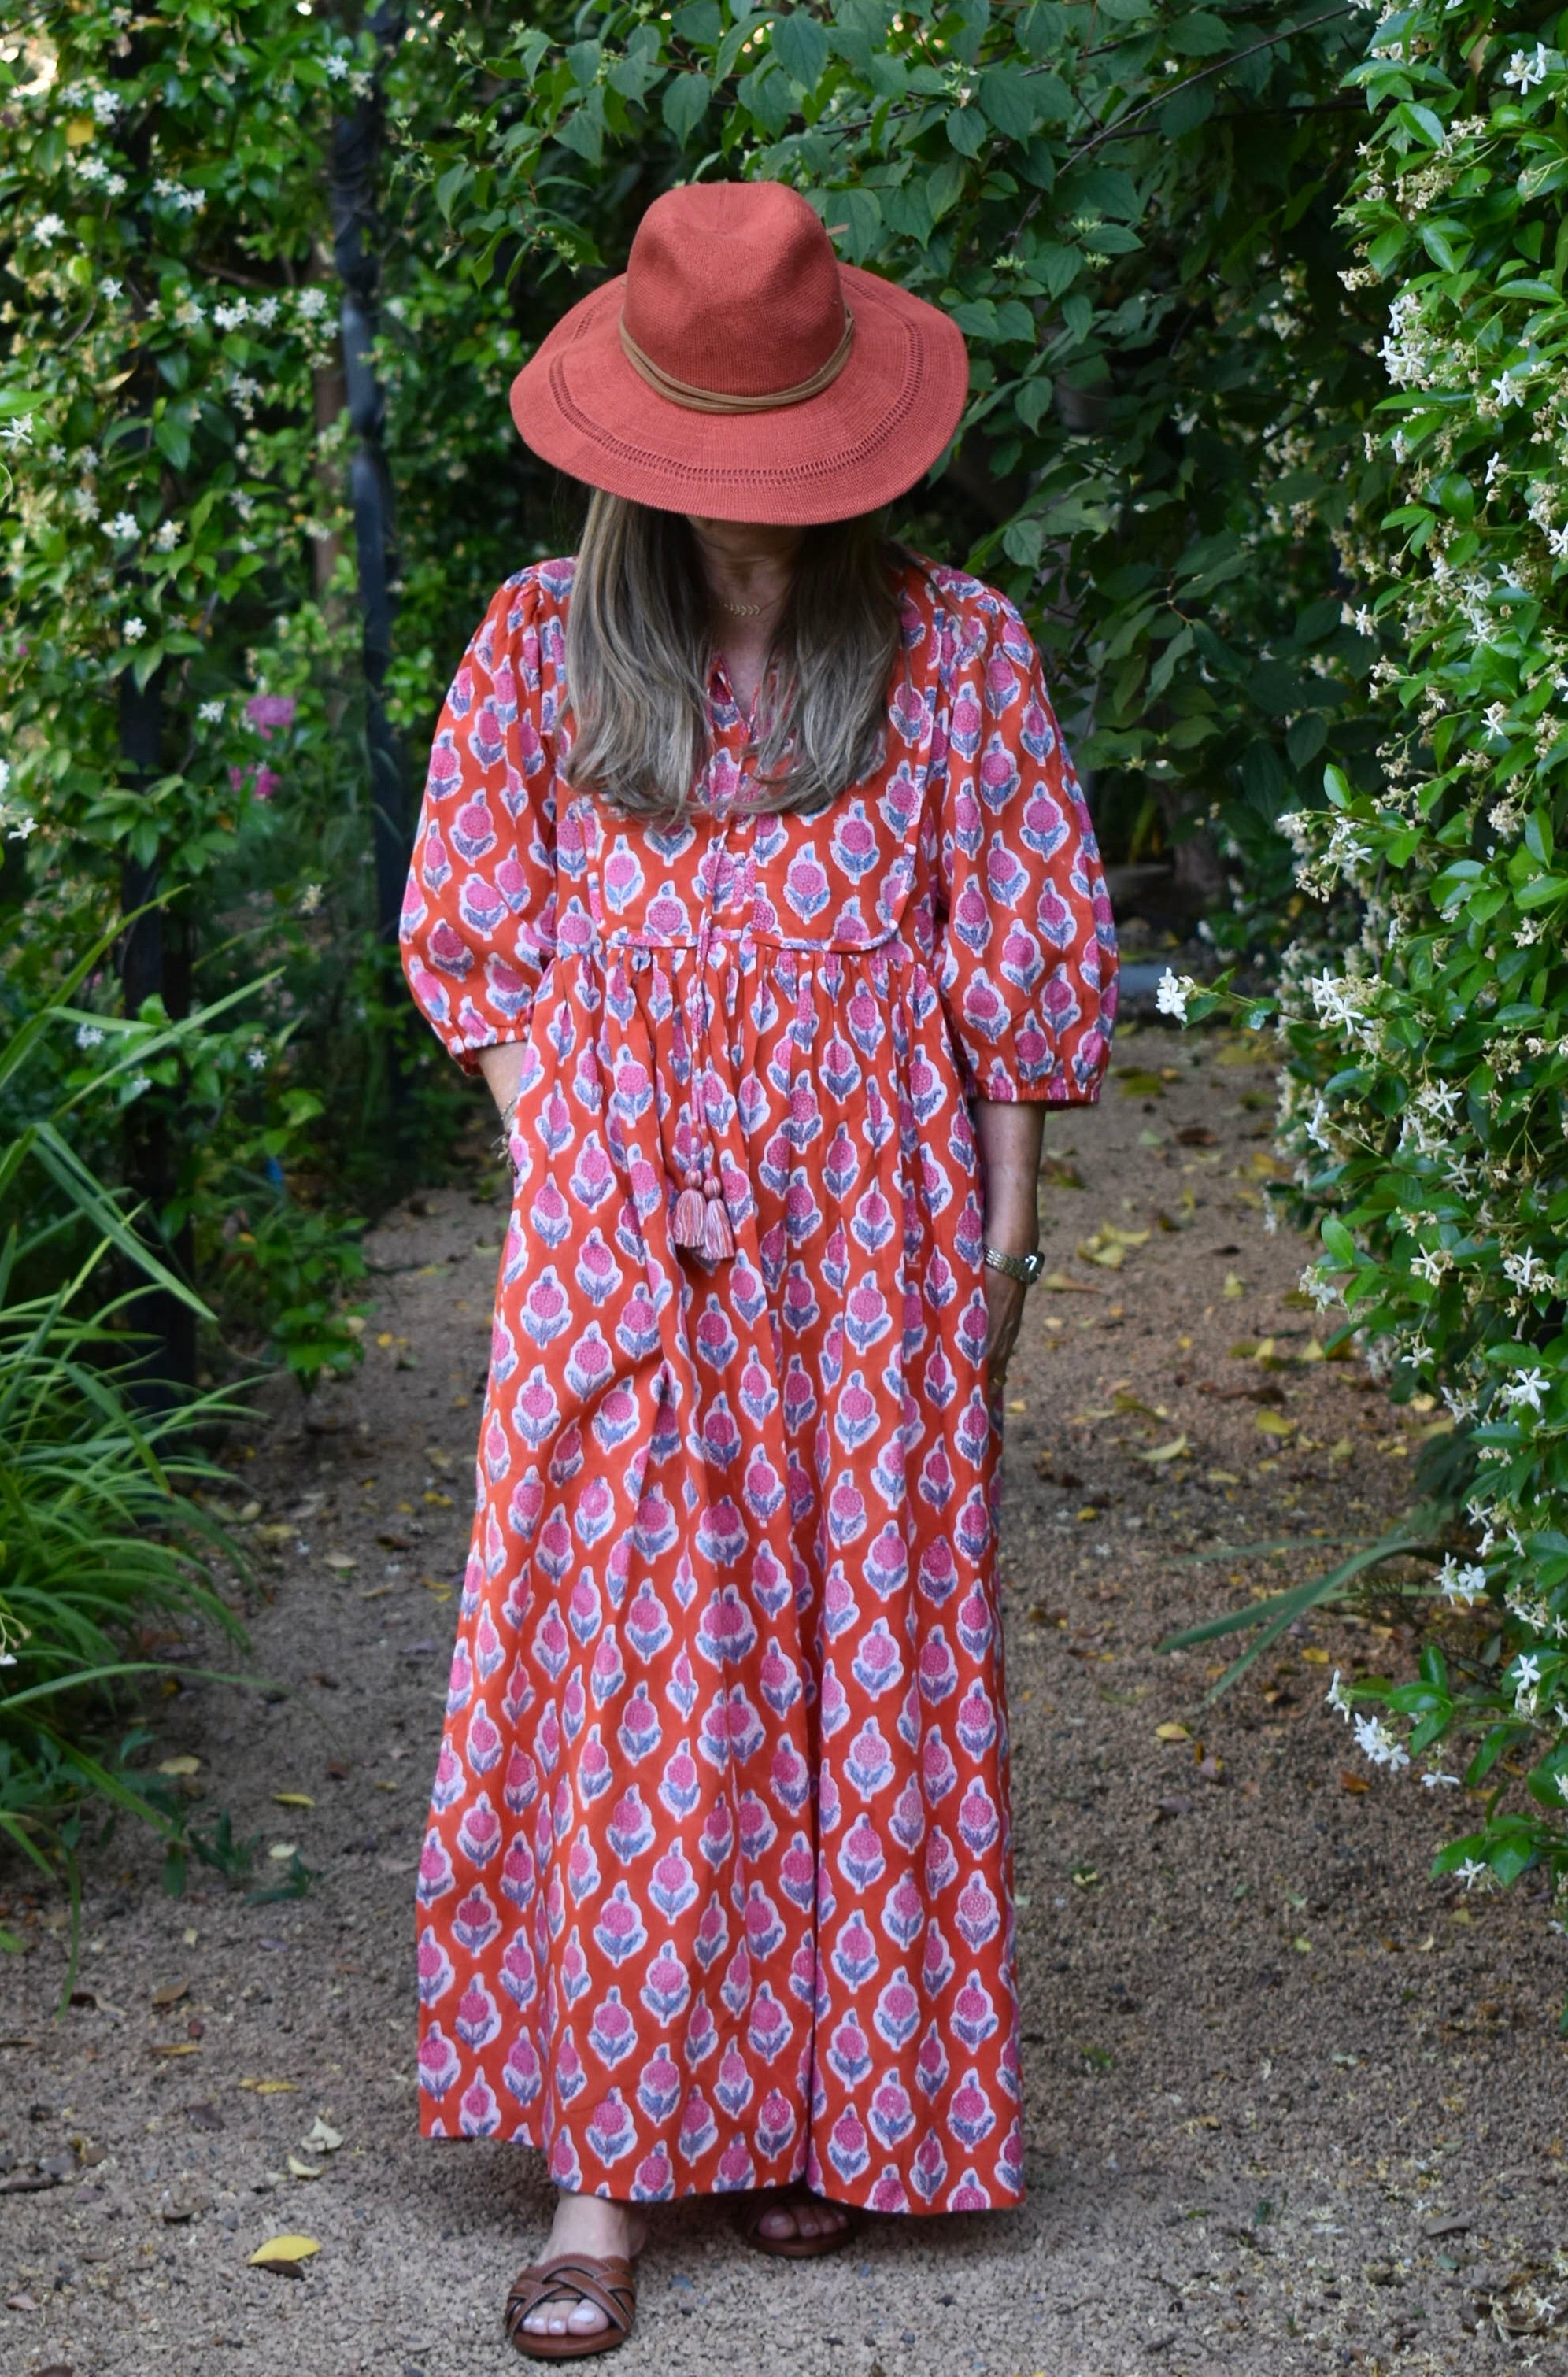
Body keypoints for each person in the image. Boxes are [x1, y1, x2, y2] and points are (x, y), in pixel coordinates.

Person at [399, 182, 1115, 2359]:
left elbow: (1015, 962)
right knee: (637, 1654)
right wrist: (569, 1169)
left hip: (880, 1222)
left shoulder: (959, 649)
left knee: (854, 1655)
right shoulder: (541, 645)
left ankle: (825, 2111)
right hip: (623, 1215)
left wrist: (996, 1246)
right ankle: (606, 2177)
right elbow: (472, 937)